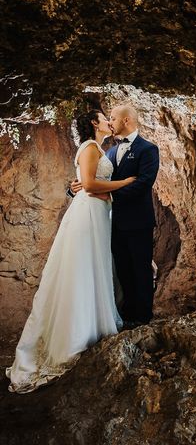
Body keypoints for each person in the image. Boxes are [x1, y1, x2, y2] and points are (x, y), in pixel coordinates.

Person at [5, 110, 132, 393]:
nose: (110, 122)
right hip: (88, 214)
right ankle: (71, 339)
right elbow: (87, 184)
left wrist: (102, 193)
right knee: (81, 270)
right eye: (104, 118)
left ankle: (93, 325)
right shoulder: (89, 147)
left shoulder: (100, 149)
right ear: (93, 124)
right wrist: (122, 185)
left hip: (98, 213)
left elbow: (86, 185)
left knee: (94, 268)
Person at [71, 104, 160, 329]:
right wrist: (74, 188)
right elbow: (93, 179)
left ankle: (143, 318)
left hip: (138, 220)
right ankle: (126, 315)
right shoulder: (109, 152)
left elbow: (143, 184)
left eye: (113, 118)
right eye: (107, 118)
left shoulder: (148, 149)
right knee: (121, 270)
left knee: (140, 267)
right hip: (112, 221)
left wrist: (108, 194)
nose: (110, 122)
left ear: (127, 120)